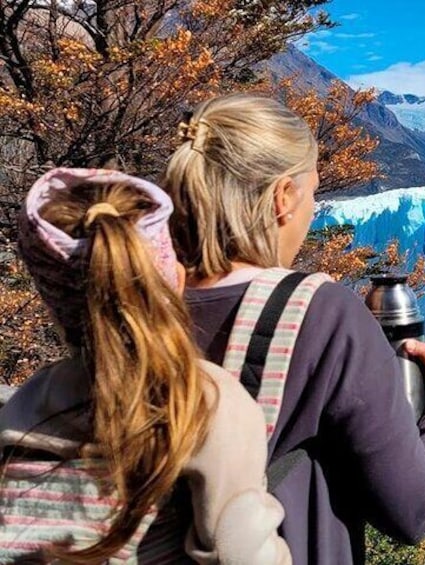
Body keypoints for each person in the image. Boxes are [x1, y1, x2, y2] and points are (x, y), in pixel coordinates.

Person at [163, 93, 425, 565]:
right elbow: (414, 509)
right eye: (313, 192)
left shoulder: (144, 305)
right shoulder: (319, 312)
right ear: (284, 197)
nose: (311, 211)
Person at [0, 168, 291, 563]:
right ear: (173, 276)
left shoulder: (25, 406)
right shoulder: (206, 402)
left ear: (54, 308)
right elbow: (240, 551)